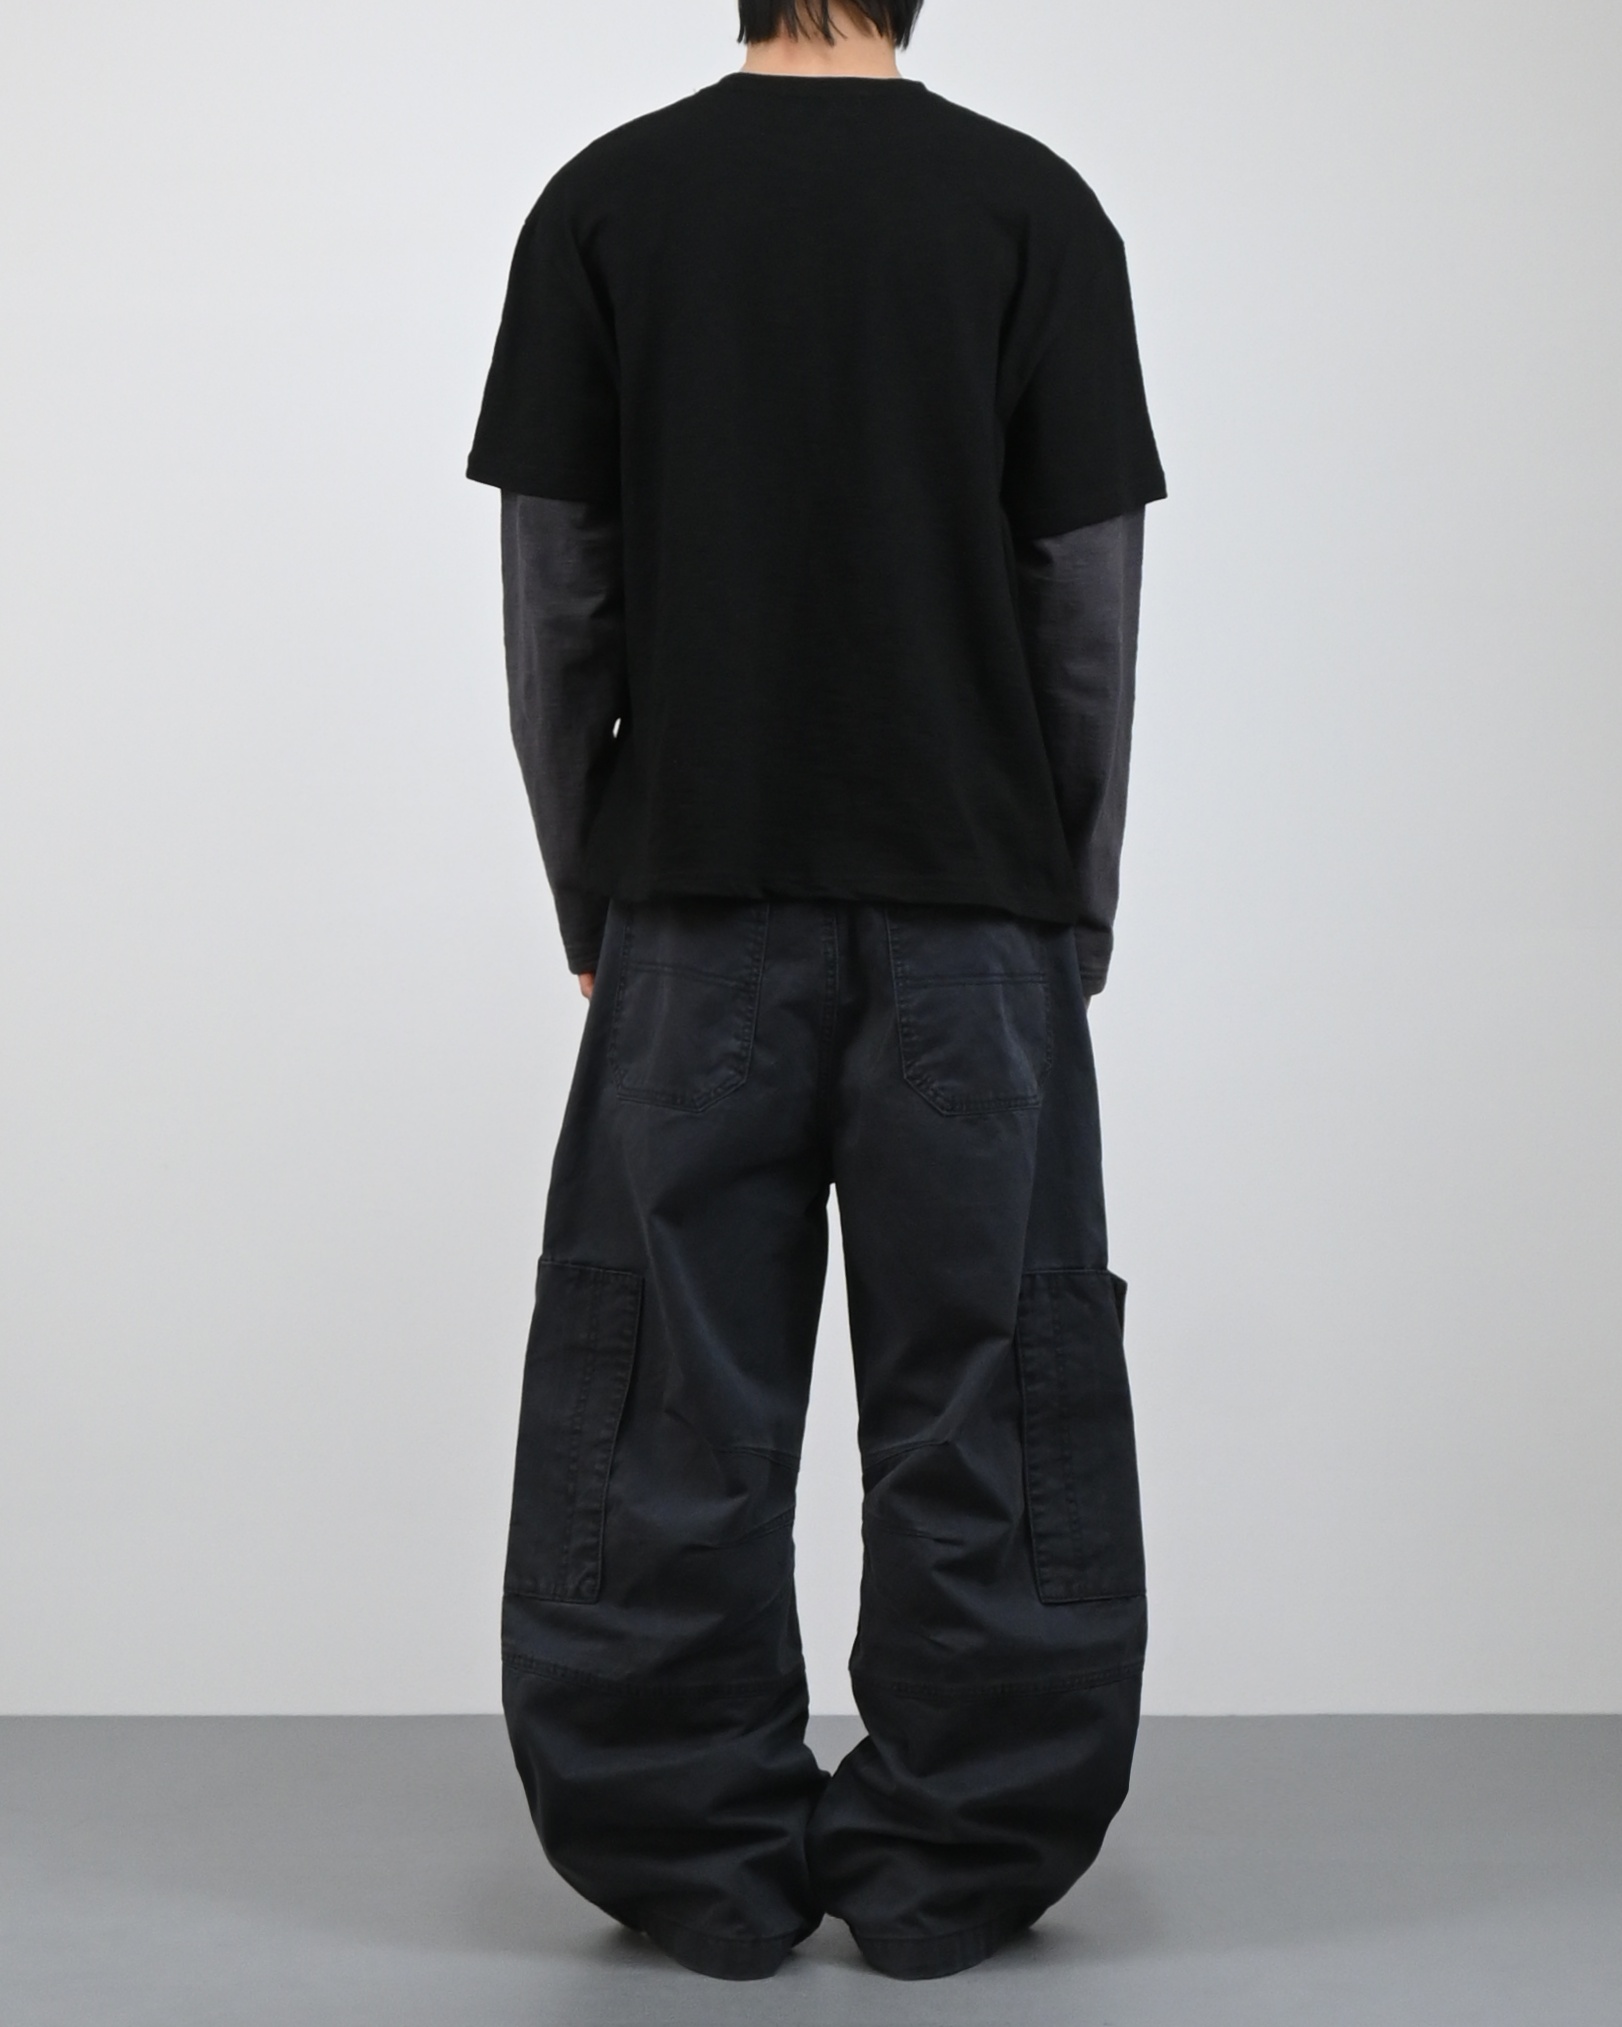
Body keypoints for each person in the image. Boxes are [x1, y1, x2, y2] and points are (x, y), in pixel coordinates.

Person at [465, 0, 1165, 1984]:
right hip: (975, 918)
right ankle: (959, 1861)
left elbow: (559, 597)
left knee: (666, 1390)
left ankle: (688, 1855)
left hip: (694, 908)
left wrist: (592, 882)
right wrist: (1066, 905)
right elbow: (1083, 604)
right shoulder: (1031, 213)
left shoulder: (608, 205)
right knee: (990, 1384)